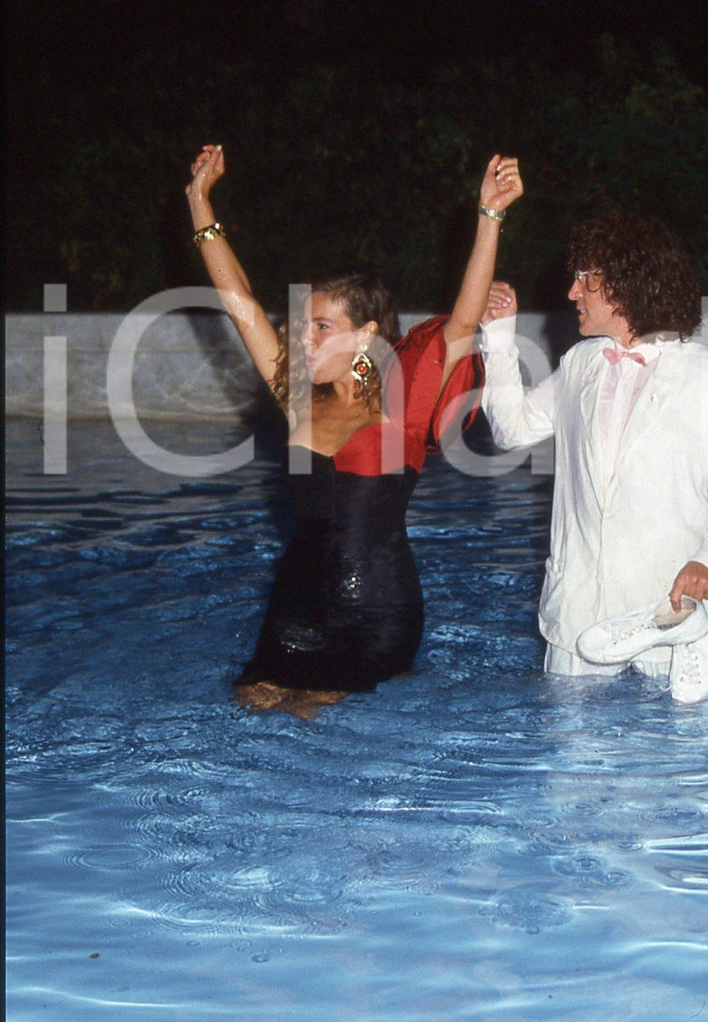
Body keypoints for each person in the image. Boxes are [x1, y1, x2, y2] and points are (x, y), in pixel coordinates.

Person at [185, 143, 523, 718]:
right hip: (293, 609)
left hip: (377, 612)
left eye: (322, 326)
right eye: (303, 325)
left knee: (320, 719)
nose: (306, 339)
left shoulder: (404, 407)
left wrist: (489, 217)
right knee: (251, 714)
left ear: (365, 335)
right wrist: (198, 201)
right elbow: (237, 300)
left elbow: (462, 321)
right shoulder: (298, 396)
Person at [479, 209, 708, 704]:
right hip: (575, 624)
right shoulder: (580, 363)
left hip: (670, 623)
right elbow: (511, 430)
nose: (571, 293)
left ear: (627, 284)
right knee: (568, 777)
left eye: (586, 279)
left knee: (676, 775)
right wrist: (498, 340)